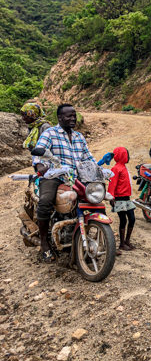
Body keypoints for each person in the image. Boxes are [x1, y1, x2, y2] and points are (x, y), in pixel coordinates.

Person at [33, 103, 96, 262]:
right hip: (55, 176)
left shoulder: (78, 136)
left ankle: (98, 239)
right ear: (60, 118)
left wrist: (99, 170)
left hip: (76, 177)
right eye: (69, 116)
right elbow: (39, 153)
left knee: (95, 198)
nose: (73, 118)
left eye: (74, 115)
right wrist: (40, 165)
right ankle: (44, 243)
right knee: (45, 201)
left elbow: (88, 158)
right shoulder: (50, 133)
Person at [107, 146, 135, 253]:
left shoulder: (123, 167)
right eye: (126, 154)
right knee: (123, 220)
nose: (128, 156)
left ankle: (127, 241)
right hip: (119, 199)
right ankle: (122, 244)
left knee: (132, 219)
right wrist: (111, 197)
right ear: (122, 155)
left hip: (127, 199)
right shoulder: (116, 168)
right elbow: (112, 183)